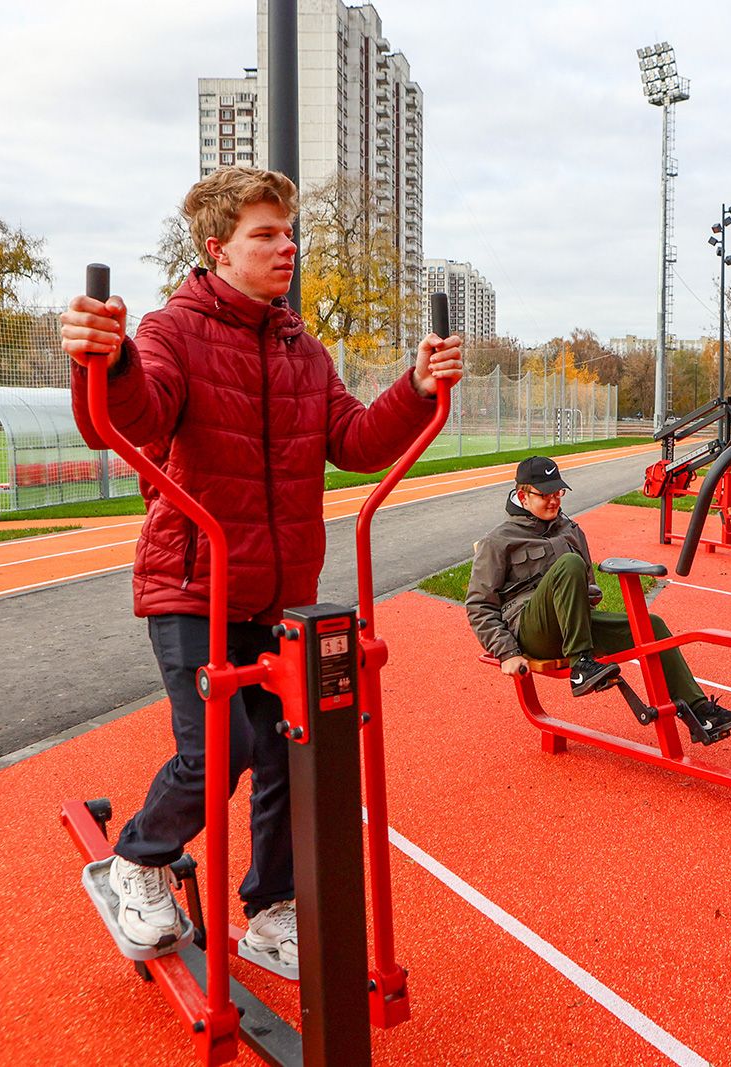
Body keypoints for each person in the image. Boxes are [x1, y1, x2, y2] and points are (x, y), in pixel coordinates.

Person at [59, 167, 464, 966]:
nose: (288, 247)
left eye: (288, 232)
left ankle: (273, 907)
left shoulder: (301, 349)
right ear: (218, 249)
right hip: (193, 583)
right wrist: (103, 361)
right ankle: (136, 860)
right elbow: (137, 416)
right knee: (222, 750)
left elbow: (352, 442)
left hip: (280, 594)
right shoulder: (172, 331)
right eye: (266, 235)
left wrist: (416, 387)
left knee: (288, 749)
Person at [466, 457, 731, 743]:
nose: (554, 501)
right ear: (522, 496)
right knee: (568, 564)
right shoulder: (499, 541)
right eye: (545, 495)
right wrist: (507, 652)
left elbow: (589, 585)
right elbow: (479, 605)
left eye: (558, 493)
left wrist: (584, 596)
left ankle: (701, 713)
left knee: (650, 626)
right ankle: (582, 668)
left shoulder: (571, 530)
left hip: (573, 625)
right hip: (532, 631)